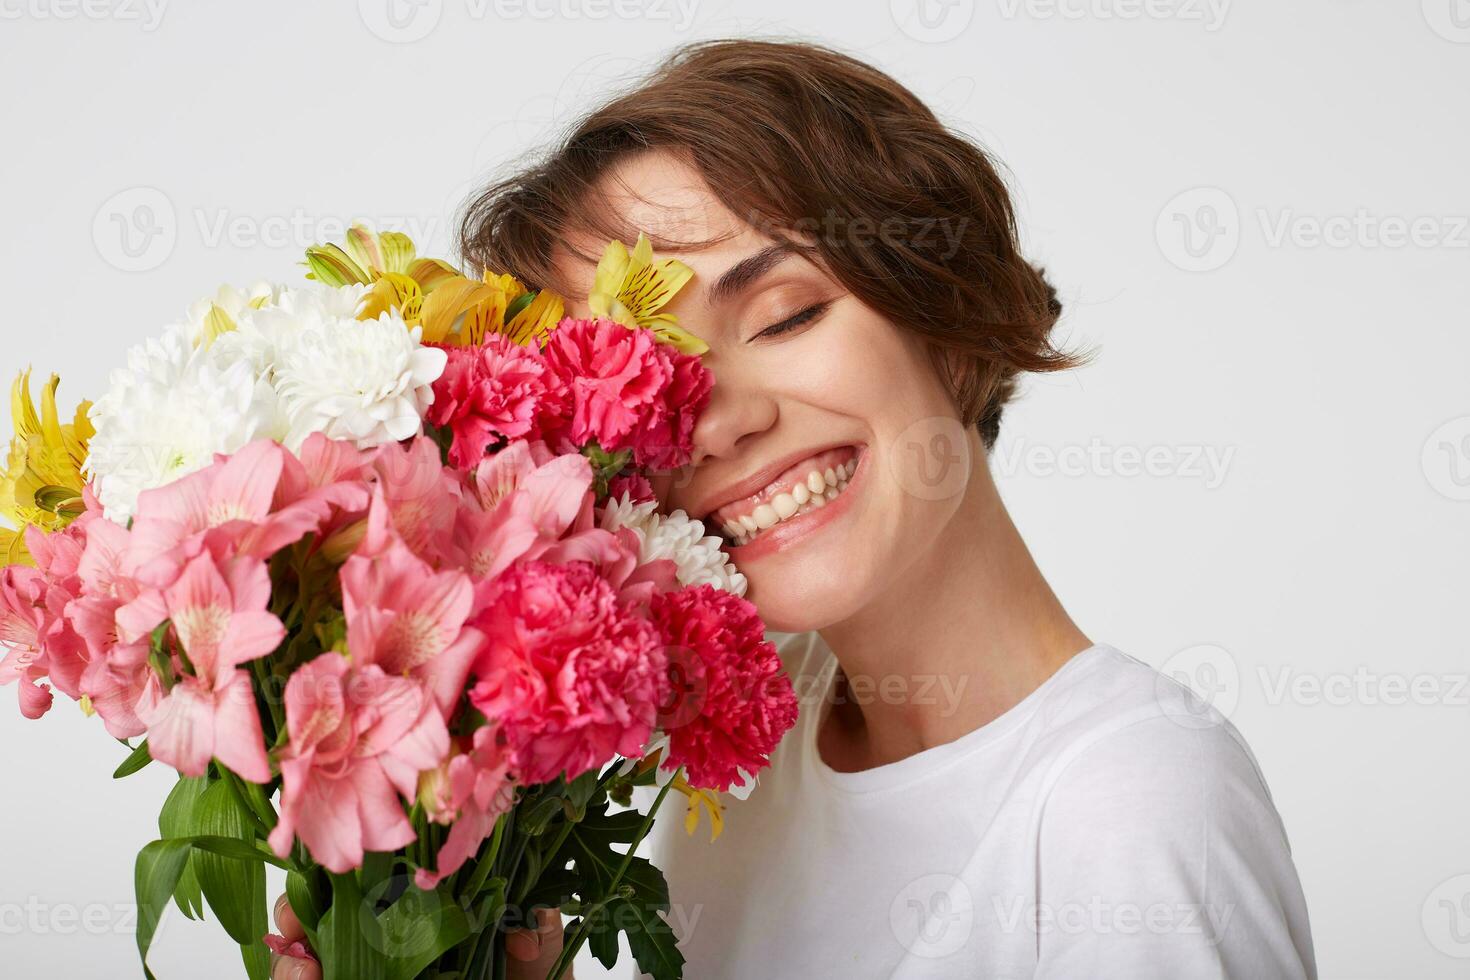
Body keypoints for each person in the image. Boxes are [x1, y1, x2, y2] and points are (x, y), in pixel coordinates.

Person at [273, 39, 1315, 980]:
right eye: (650, 372)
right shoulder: (735, 736)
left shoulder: (1131, 807)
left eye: (784, 314)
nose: (721, 419)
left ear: (946, 320)